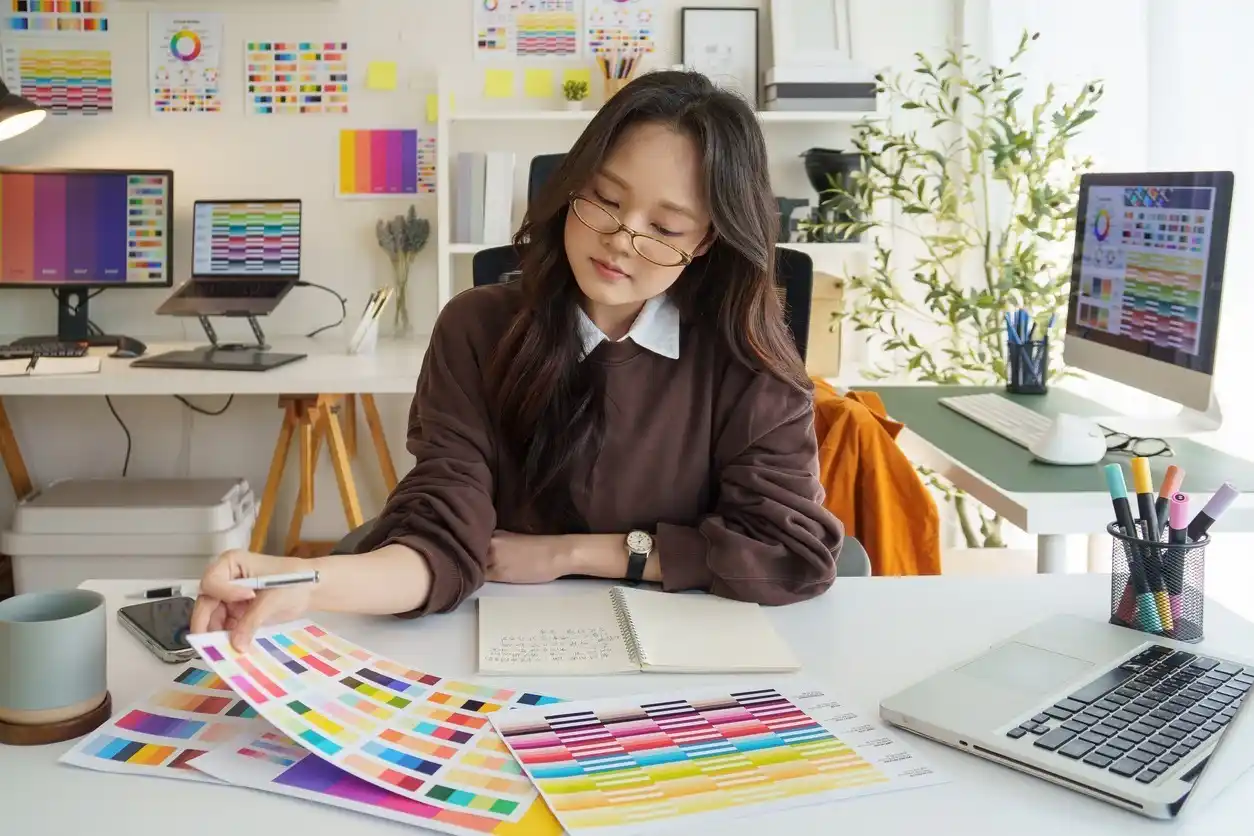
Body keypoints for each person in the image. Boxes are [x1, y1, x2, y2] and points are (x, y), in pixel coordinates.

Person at [192, 69, 845, 650]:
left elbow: (789, 554)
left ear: (707, 241)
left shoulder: (746, 356)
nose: (621, 240)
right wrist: (305, 582)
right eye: (606, 201)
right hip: (502, 649)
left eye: (666, 228)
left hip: (695, 658)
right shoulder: (478, 328)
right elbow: (440, 537)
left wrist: (576, 554)